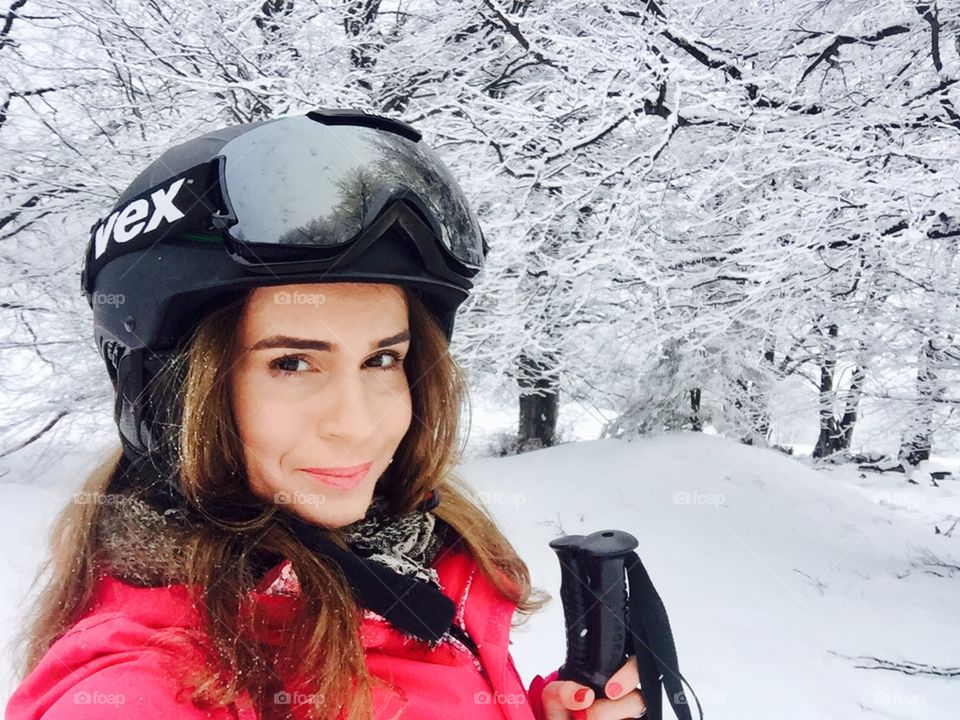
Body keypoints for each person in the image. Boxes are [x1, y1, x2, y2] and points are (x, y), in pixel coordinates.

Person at [5, 110, 647, 720]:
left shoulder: (407, 566)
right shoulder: (147, 685)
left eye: (382, 361)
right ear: (173, 399)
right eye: (291, 364)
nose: (358, 423)